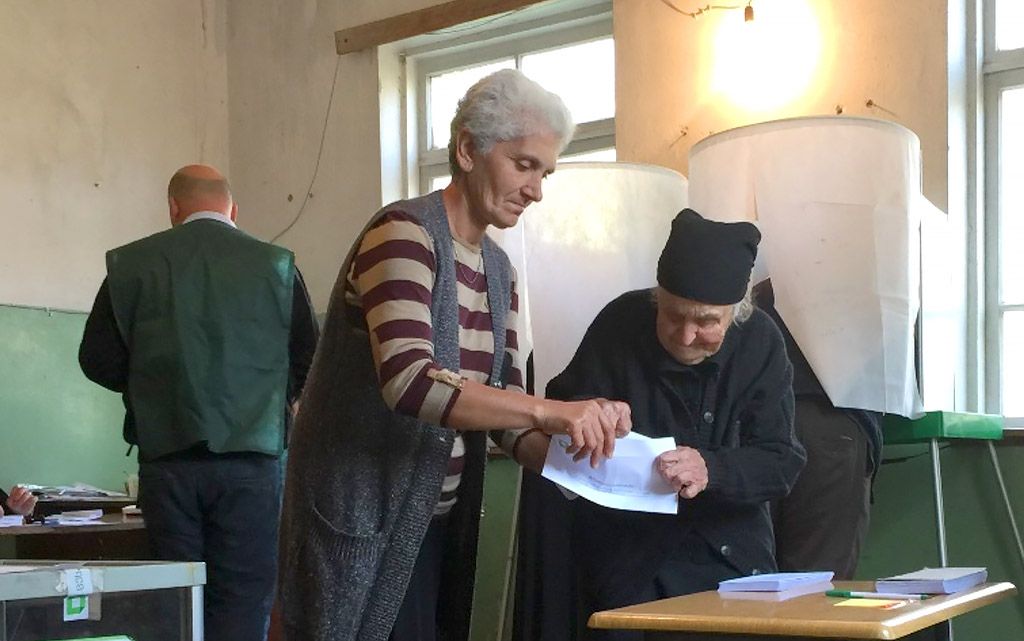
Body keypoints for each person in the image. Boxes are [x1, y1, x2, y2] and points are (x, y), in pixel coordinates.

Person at [276, 69, 632, 641]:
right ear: (468, 149)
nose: (537, 189)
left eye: (546, 172)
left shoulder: (500, 271)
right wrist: (550, 411)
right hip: (362, 519)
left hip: (437, 519)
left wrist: (599, 459)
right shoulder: (403, 234)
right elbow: (410, 383)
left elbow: (510, 423)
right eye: (524, 164)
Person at [516, 208, 806, 641]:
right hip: (630, 564)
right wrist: (593, 409)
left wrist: (712, 470)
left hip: (731, 562)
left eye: (706, 322)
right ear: (657, 296)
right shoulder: (620, 321)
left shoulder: (761, 342)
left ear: (736, 312)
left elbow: (781, 460)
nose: (686, 336)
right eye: (672, 316)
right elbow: (562, 405)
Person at [79, 164, 318, 641]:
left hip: (168, 463)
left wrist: (151, 392)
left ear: (173, 208)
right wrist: (269, 400)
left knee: (174, 601)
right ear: (233, 208)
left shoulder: (132, 265)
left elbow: (96, 359)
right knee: (244, 601)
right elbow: (308, 356)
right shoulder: (277, 266)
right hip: (253, 462)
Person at [753, 279, 882, 580]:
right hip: (835, 424)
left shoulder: (762, 291)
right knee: (818, 580)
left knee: (753, 579)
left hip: (761, 426)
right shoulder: (874, 288)